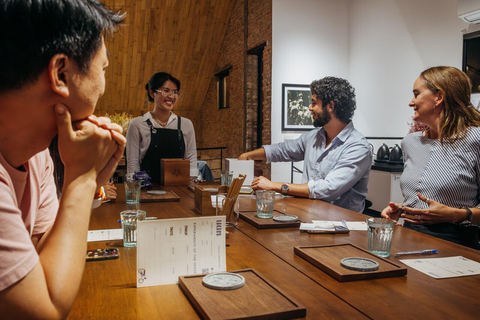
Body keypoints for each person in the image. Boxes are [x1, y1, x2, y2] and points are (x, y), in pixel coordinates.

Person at [0, 1, 125, 318]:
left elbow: (42, 258)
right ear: (61, 73)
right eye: (103, 69)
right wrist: (82, 178)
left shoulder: (37, 152)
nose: (103, 86)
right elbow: (44, 311)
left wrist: (91, 180)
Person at [239, 77, 372, 212]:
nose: (310, 107)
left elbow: (328, 188)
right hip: (309, 216)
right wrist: (248, 156)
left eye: (314, 103)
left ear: (331, 106)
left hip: (343, 227)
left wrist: (274, 186)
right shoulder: (314, 137)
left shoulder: (358, 147)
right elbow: (283, 150)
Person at [381, 66, 480, 245]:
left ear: (439, 97)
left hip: (455, 243)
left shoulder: (475, 139)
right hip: (409, 237)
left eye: (416, 94)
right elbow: (426, 195)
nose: (411, 102)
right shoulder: (410, 142)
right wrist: (404, 209)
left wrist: (457, 215)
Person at [126, 72, 199, 182]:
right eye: (166, 91)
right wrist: (136, 192)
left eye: (175, 92)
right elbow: (133, 164)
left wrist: (192, 185)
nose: (171, 96)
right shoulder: (137, 124)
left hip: (180, 190)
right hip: (147, 190)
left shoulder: (186, 124)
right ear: (152, 93)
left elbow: (192, 161)